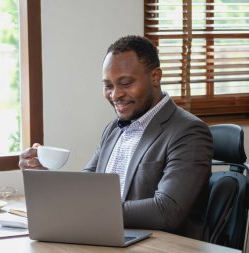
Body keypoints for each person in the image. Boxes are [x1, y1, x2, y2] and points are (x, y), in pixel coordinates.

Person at [19, 35, 213, 240]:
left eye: (126, 83)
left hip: (160, 245)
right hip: (112, 238)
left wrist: (93, 212)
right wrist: (43, 176)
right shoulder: (113, 129)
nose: (115, 95)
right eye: (108, 86)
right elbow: (88, 187)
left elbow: (167, 211)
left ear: (155, 77)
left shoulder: (189, 131)